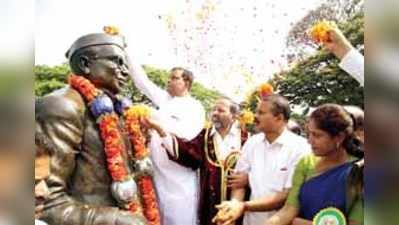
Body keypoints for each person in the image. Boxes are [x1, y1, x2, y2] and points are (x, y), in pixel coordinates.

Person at [35, 33, 147, 225]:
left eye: (125, 65)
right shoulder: (61, 106)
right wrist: (116, 220)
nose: (125, 72)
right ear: (85, 64)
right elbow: (45, 203)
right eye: (117, 62)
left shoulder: (116, 109)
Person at [141, 97, 249, 225]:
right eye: (214, 110)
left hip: (238, 204)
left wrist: (249, 178)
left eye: (221, 110)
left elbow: (259, 169)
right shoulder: (204, 136)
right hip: (209, 206)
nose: (215, 113)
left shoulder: (247, 139)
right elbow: (187, 153)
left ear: (234, 116)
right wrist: (161, 130)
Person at [128, 56, 205, 224]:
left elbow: (185, 134)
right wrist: (125, 50)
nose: (168, 81)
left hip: (179, 181)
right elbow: (142, 81)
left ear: (187, 83)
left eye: (174, 78)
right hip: (156, 176)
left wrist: (155, 118)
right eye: (169, 78)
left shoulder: (195, 107)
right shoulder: (165, 100)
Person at [213, 94, 311, 225]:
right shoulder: (252, 142)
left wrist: (243, 206)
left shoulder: (300, 148)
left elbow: (287, 196)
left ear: (279, 118)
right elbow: (238, 183)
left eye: (261, 113)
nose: (255, 116)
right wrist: (233, 206)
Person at [267, 104, 364, 225]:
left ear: (339, 137)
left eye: (317, 135)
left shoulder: (359, 171)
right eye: (309, 134)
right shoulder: (306, 163)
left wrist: (302, 223)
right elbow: (289, 209)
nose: (309, 141)